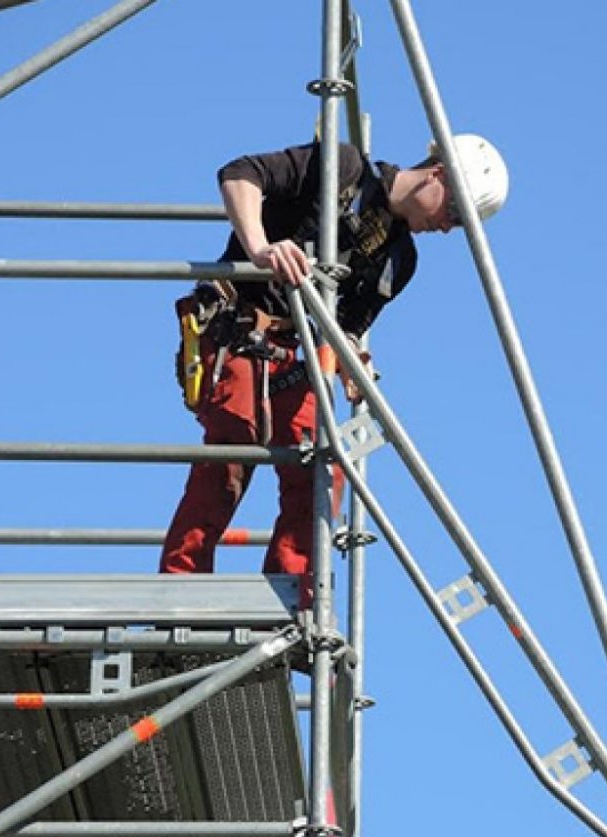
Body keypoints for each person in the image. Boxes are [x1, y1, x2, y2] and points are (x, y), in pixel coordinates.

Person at [160, 133, 508, 594]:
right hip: (235, 330)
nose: (448, 226)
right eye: (455, 212)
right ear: (438, 175)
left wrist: (350, 360)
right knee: (232, 448)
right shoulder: (342, 170)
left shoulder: (399, 261)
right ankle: (180, 591)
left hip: (291, 355)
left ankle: (287, 597)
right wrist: (262, 248)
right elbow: (240, 173)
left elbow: (341, 327)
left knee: (324, 468)